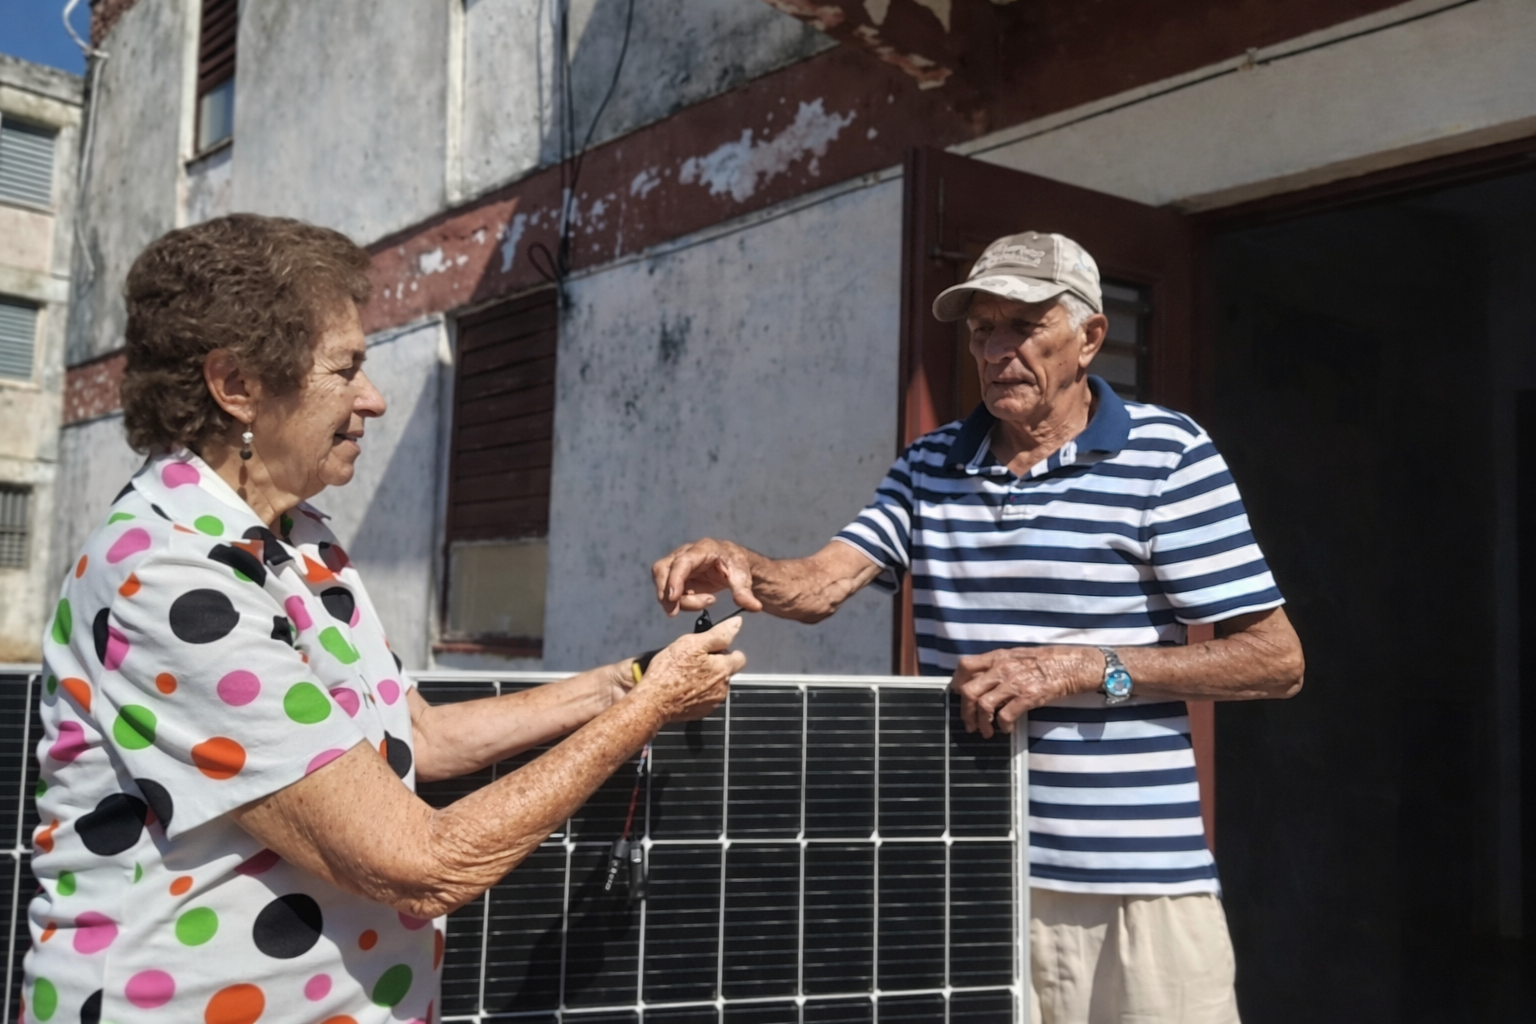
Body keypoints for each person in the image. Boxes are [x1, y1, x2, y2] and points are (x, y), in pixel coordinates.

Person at [27, 214, 743, 1024]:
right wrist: (653, 708)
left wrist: (628, 681)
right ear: (237, 387)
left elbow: (420, 738)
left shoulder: (299, 538)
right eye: (347, 368)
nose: (374, 397)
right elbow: (417, 862)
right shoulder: (167, 572)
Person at [652, 231, 1304, 1024]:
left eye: (1022, 327)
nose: (996, 351)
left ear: (1089, 338)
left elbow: (1275, 660)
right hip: (972, 869)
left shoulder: (1168, 455)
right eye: (980, 331)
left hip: (1136, 887)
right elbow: (823, 584)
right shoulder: (931, 464)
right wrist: (741, 561)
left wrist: (1081, 667)